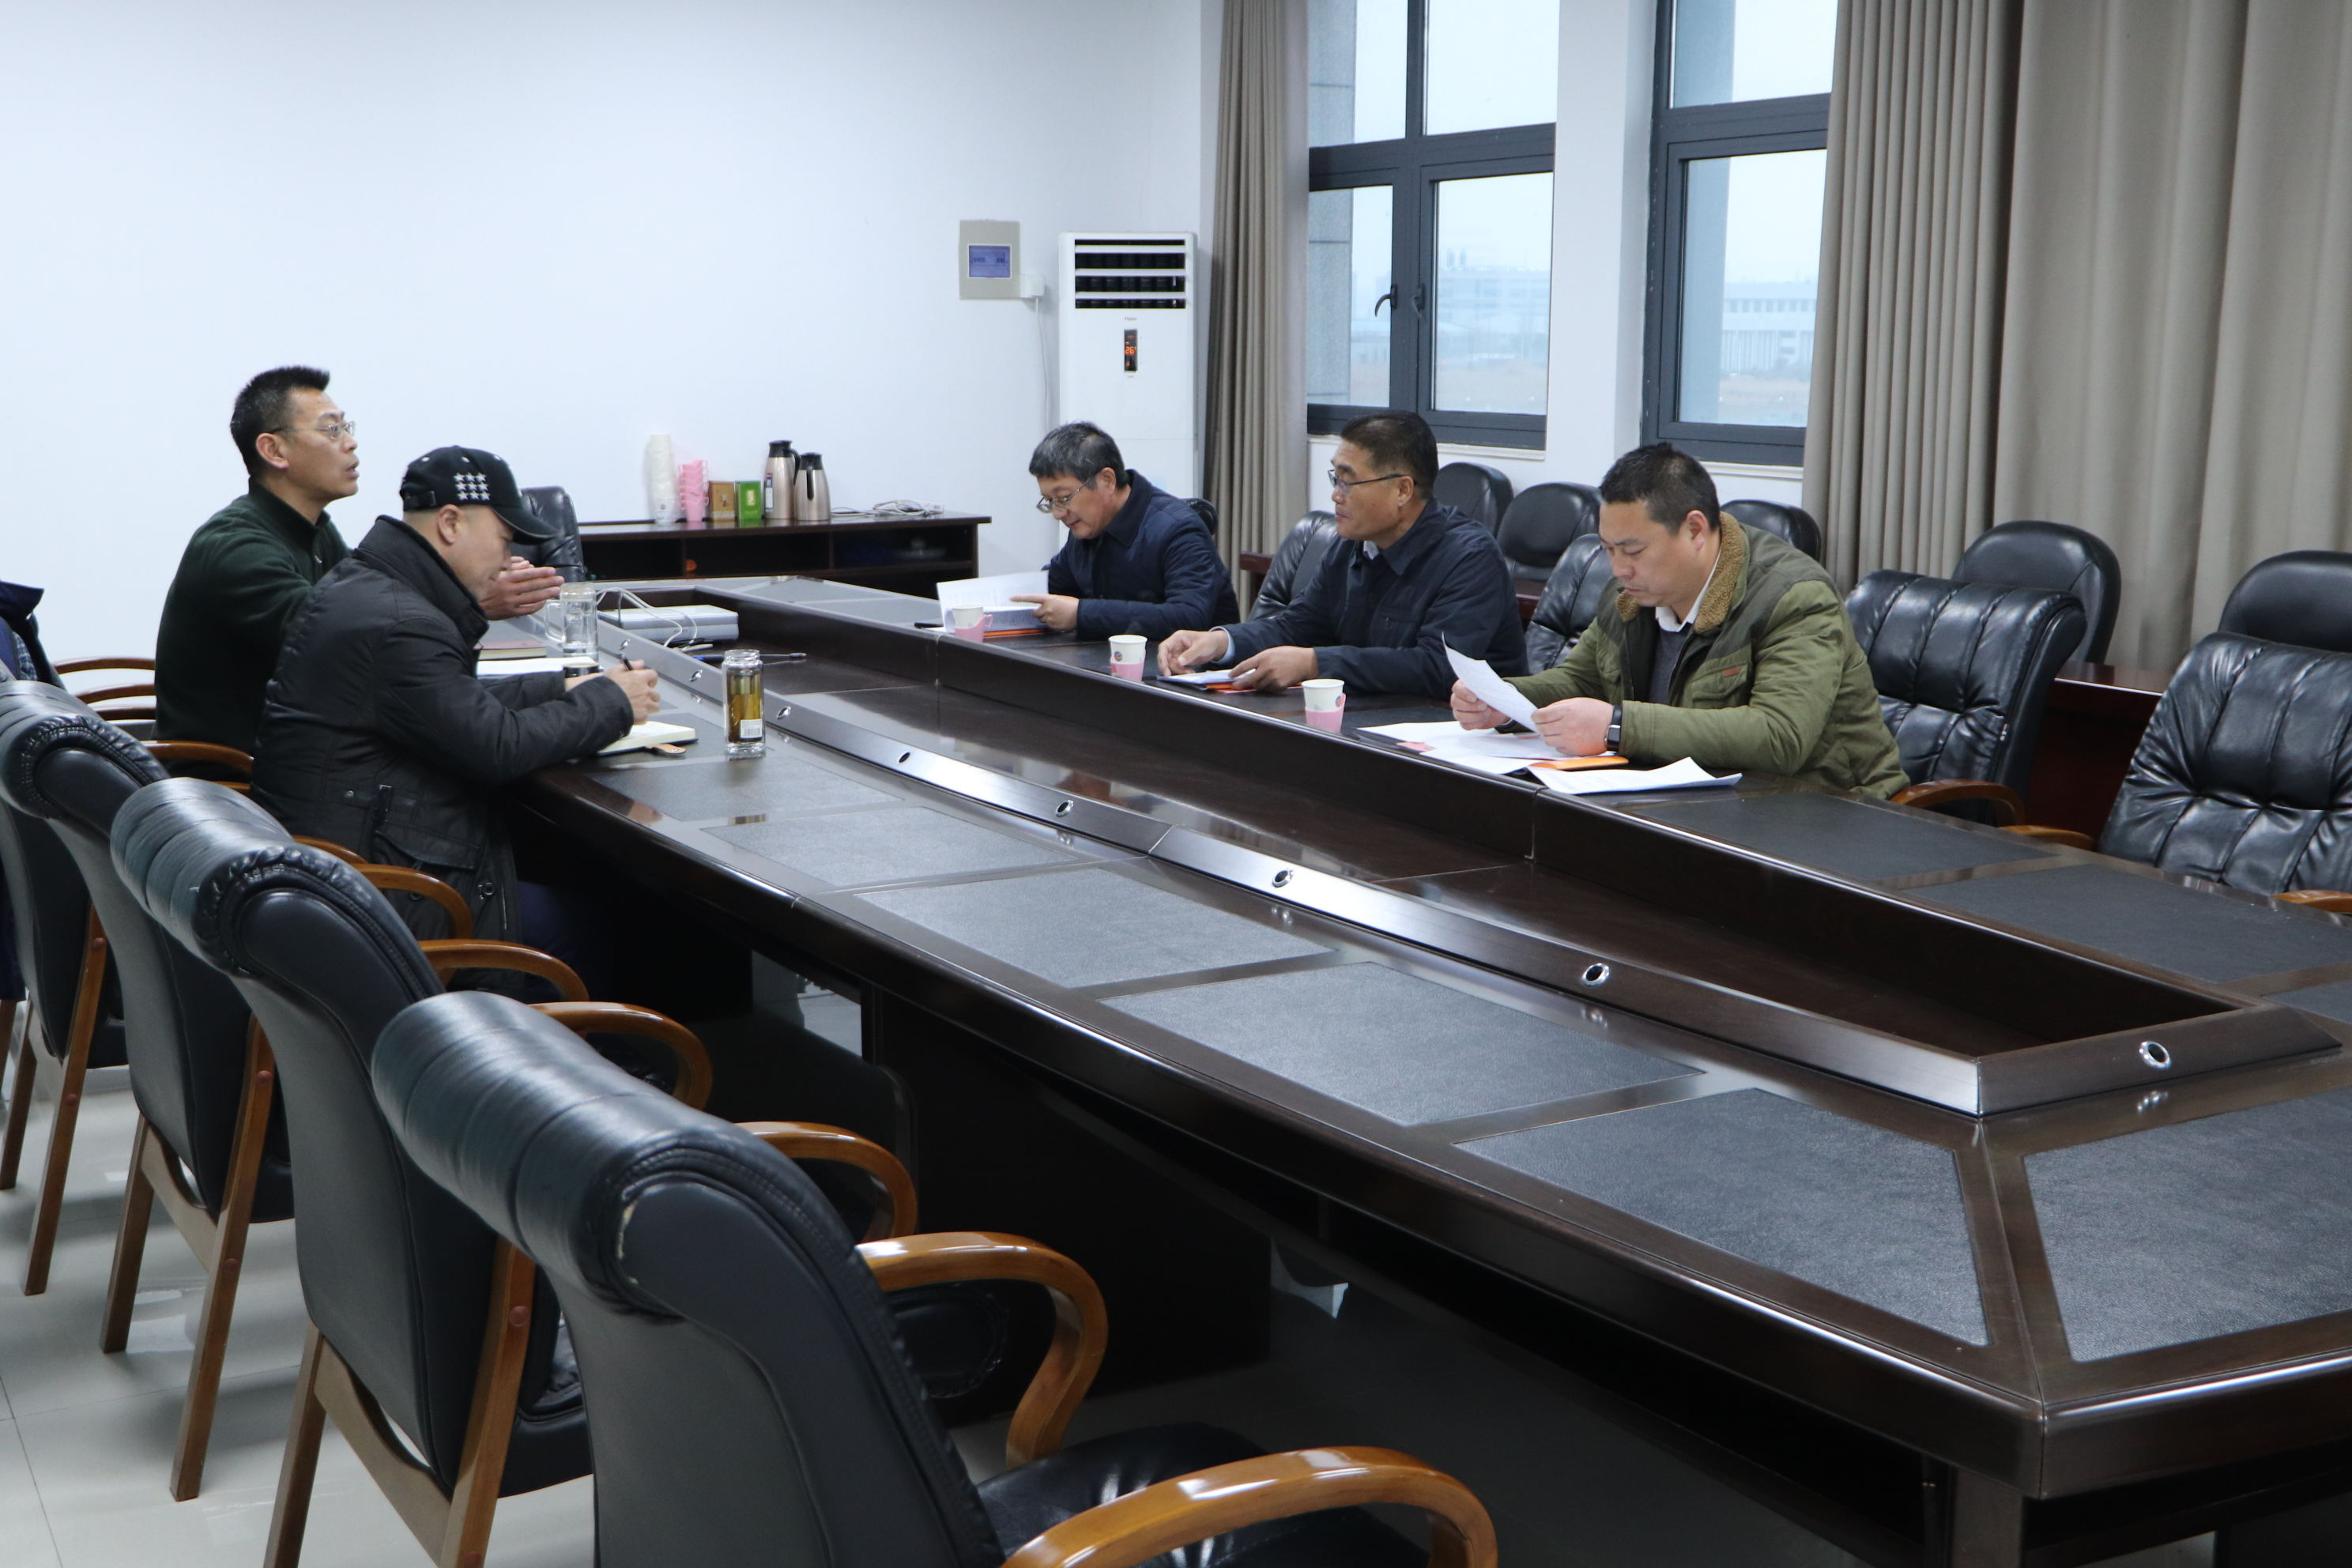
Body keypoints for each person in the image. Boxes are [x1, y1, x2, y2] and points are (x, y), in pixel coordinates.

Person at [252, 446, 657, 944]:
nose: (508, 561)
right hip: (382, 900)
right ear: (450, 523)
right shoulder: (402, 622)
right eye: (505, 540)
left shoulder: (368, 586)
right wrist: (612, 703)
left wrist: (564, 687)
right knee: (613, 926)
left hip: (344, 870)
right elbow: (497, 746)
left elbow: (450, 701)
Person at [1453, 443, 1905, 796]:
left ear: (1694, 530)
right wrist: (1507, 702)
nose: (1618, 569)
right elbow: (1582, 679)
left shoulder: (1793, 597)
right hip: (1697, 801)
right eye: (1608, 550)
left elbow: (1780, 736)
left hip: (1830, 809)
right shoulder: (1632, 594)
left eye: (1633, 551)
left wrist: (1617, 727)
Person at [154, 367, 565, 753]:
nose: (350, 443)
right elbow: (345, 644)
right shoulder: (237, 548)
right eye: (331, 429)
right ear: (274, 450)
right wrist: (470, 600)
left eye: (346, 428)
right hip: (239, 777)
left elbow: (369, 604)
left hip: (307, 747)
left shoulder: (314, 530)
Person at [1157, 411, 1523, 698]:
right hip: (1371, 721)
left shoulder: (1470, 558)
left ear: (1402, 490)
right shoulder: (1352, 543)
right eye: (1336, 478)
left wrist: (1315, 663)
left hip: (1459, 739)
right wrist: (1221, 642)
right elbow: (1298, 625)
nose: (1336, 495)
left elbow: (1438, 668)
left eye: (1348, 481)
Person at [1011, 421, 1236, 638]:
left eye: (1063, 498)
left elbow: (1189, 617)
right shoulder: (1086, 527)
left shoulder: (1178, 529)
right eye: (1050, 501)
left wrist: (1081, 614)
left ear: (1107, 480)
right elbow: (1057, 584)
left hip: (1186, 661)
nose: (1058, 513)